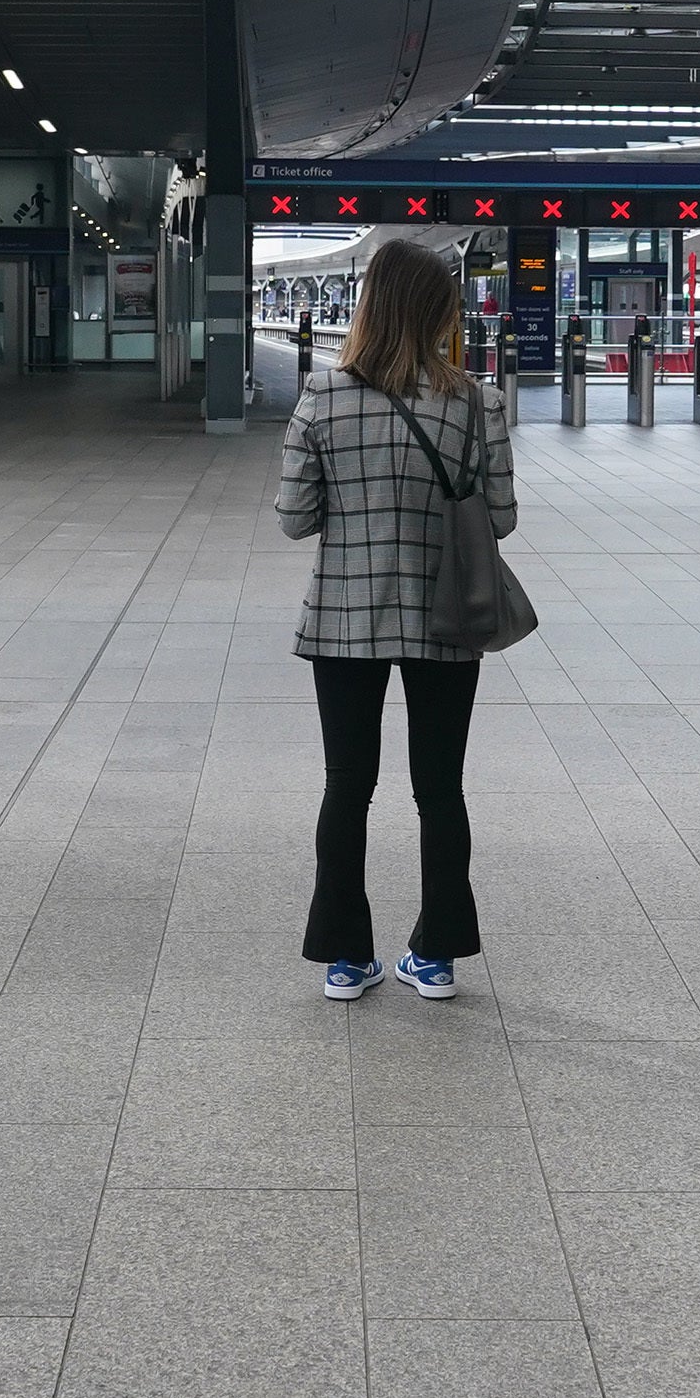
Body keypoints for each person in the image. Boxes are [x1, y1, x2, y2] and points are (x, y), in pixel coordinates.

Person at [276, 236, 514, 1005]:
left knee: (347, 784)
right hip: (449, 616)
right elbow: (501, 519)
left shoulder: (322, 395)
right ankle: (436, 956)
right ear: (441, 312)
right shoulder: (479, 403)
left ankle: (346, 957)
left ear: (370, 306)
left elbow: (294, 517)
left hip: (344, 617)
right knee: (439, 787)